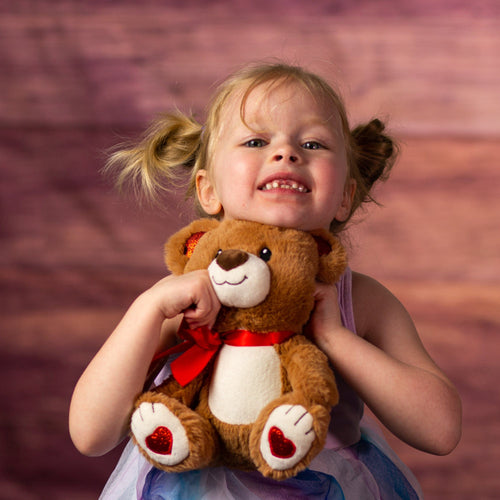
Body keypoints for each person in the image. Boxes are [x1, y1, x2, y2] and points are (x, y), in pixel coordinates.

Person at [69, 62, 462, 499]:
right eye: (256, 140)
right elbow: (91, 434)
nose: (286, 153)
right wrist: (148, 310)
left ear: (345, 197)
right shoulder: (180, 297)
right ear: (208, 190)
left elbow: (440, 430)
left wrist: (333, 338)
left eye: (312, 143)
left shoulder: (357, 299)